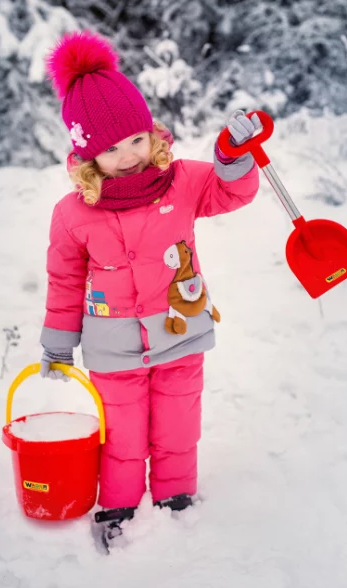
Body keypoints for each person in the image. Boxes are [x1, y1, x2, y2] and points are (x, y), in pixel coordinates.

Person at [39, 31, 260, 551]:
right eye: (111, 149)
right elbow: (65, 280)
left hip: (179, 335)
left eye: (136, 139)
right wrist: (57, 340)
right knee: (121, 439)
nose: (129, 156)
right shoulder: (73, 214)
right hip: (113, 350)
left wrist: (231, 154)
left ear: (151, 132)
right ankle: (118, 506)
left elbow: (230, 192)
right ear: (87, 154)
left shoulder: (180, 181)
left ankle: (176, 503)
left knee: (178, 430)